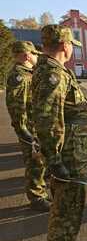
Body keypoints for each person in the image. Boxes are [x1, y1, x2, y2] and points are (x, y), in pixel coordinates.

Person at [32, 24, 87, 241]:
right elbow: (47, 118)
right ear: (64, 45)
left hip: (71, 151)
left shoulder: (54, 70)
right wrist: (55, 160)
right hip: (66, 155)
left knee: (69, 205)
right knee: (66, 207)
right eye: (71, 46)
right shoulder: (51, 74)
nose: (72, 50)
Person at [5, 41, 51, 211]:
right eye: (34, 54)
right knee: (35, 163)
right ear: (26, 55)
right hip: (29, 128)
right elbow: (17, 107)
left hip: (35, 125)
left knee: (40, 161)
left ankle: (41, 191)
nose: (36, 57)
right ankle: (37, 198)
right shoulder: (19, 76)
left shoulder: (27, 73)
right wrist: (25, 133)